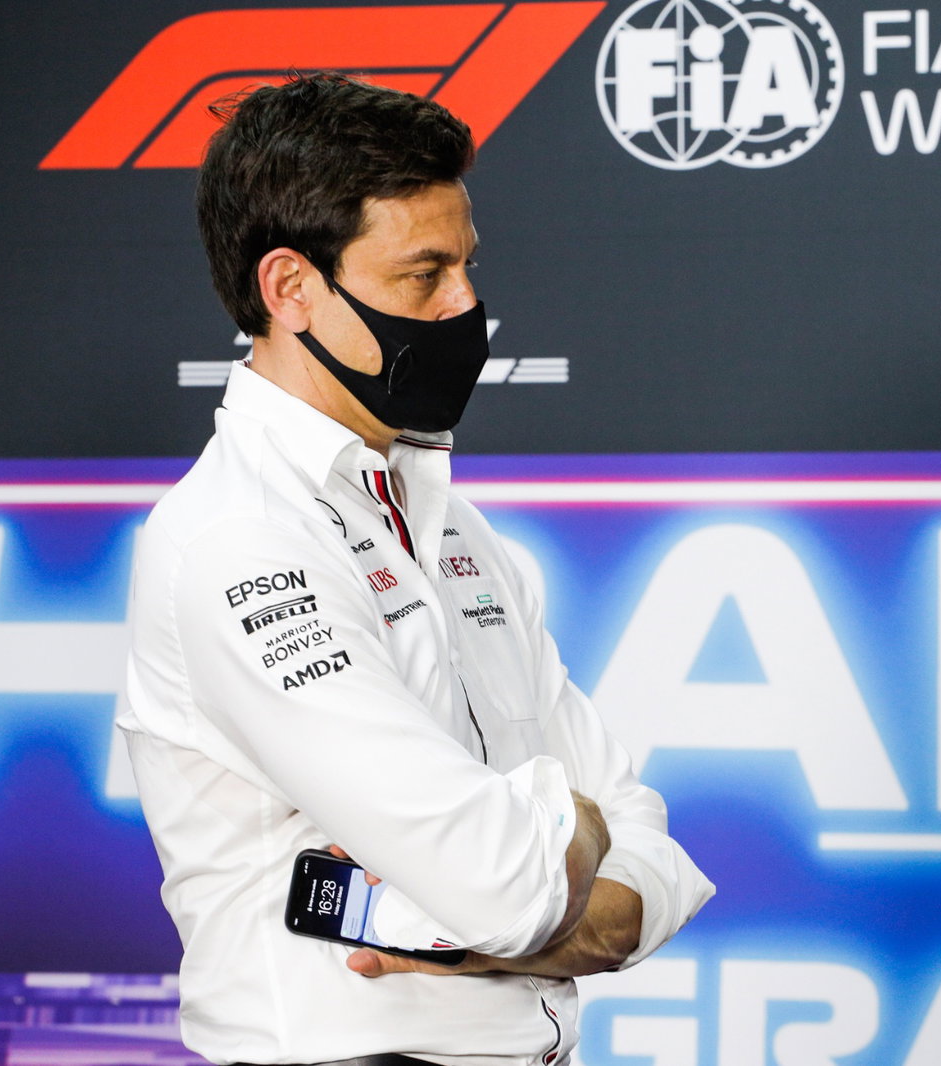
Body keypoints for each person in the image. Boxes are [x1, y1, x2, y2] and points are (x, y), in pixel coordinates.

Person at [119, 73, 713, 1066]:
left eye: (467, 265)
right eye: (422, 273)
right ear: (290, 288)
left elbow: (656, 856)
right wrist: (566, 833)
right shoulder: (236, 541)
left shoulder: (454, 527)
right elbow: (504, 883)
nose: (467, 305)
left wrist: (542, 871)